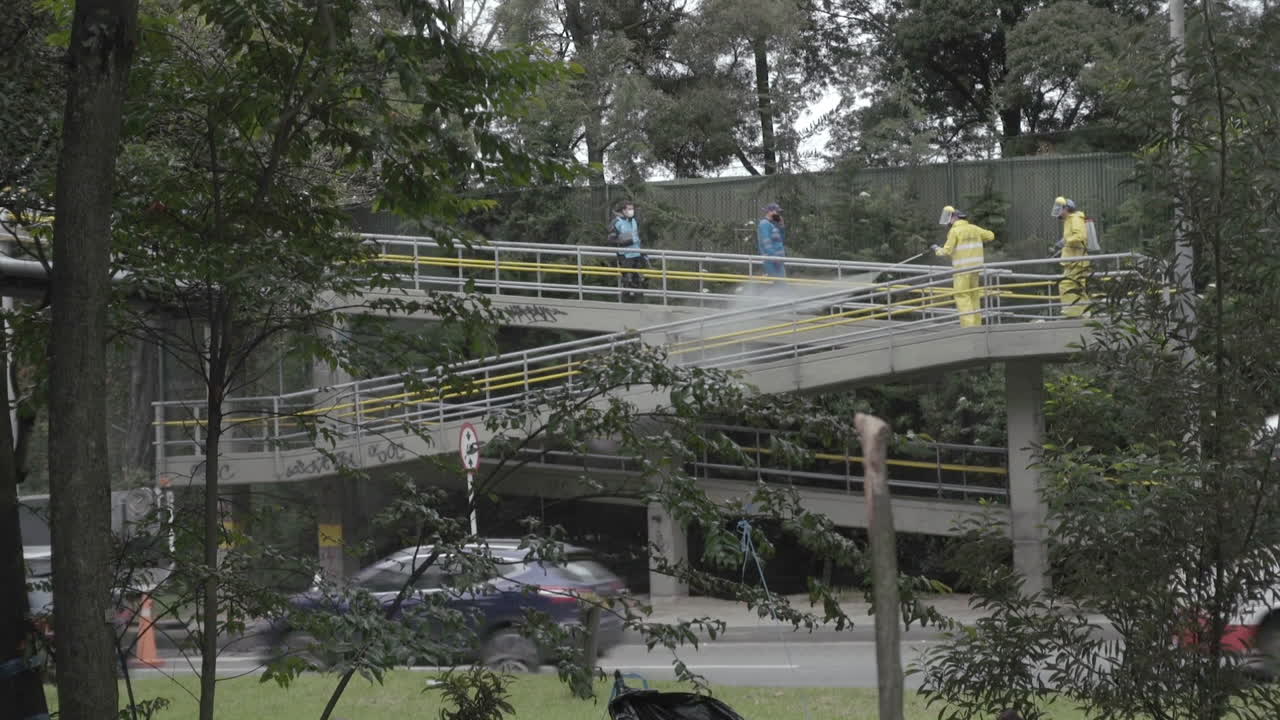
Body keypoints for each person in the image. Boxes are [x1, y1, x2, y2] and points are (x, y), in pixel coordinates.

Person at [933, 205, 995, 328]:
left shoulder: (954, 231)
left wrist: (936, 249)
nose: (948, 221)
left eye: (949, 218)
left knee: (962, 297)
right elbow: (991, 236)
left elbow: (947, 251)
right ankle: (977, 326)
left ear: (955, 218)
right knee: (974, 296)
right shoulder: (974, 228)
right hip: (975, 270)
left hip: (961, 271)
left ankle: (968, 328)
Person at [1051, 196, 1091, 317]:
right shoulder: (1069, 220)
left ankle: (1071, 313)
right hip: (1074, 260)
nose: (1057, 210)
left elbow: (1080, 236)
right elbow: (1071, 236)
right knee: (1078, 287)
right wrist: (1060, 244)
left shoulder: (1075, 218)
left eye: (1060, 208)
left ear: (1067, 208)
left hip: (1076, 260)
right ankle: (1085, 313)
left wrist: (1067, 242)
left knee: (1067, 285)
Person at [608, 200, 647, 300]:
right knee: (628, 280)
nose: (632, 211)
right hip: (625, 256)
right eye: (629, 209)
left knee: (639, 279)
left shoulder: (634, 221)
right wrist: (627, 242)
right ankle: (626, 302)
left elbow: (637, 238)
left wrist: (643, 252)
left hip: (637, 254)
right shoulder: (617, 222)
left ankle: (639, 301)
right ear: (623, 210)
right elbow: (611, 240)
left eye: (632, 209)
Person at [757, 203, 786, 279]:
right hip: (772, 260)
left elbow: (781, 240)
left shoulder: (772, 225)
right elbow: (766, 243)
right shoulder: (764, 224)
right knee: (780, 285)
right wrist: (774, 258)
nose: (778, 215)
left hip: (778, 260)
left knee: (779, 284)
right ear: (770, 212)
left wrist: (781, 226)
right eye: (777, 212)